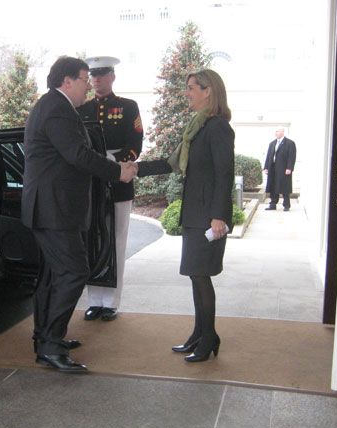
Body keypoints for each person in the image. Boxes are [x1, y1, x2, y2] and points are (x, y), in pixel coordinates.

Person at [22, 56, 137, 373]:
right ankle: (50, 345)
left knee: (52, 277)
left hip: (51, 209)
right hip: (54, 210)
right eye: (85, 78)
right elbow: (77, 155)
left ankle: (45, 337)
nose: (89, 84)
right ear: (66, 81)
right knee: (73, 272)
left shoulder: (54, 106)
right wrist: (118, 172)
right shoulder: (57, 109)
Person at [135, 68, 234, 363]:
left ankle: (209, 338)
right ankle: (200, 334)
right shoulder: (196, 127)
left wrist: (219, 216)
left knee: (202, 277)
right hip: (194, 213)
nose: (187, 93)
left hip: (208, 217)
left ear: (209, 91)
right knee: (195, 275)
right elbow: (172, 162)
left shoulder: (218, 128)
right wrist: (135, 169)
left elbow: (224, 175)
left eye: (192, 87)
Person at [77, 56, 144, 322]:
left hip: (118, 181)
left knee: (116, 239)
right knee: (92, 239)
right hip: (90, 182)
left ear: (112, 77)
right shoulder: (81, 108)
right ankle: (94, 301)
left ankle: (111, 302)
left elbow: (135, 143)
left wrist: (114, 162)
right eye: (93, 75)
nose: (97, 80)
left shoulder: (128, 107)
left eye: (102, 75)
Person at [263, 127, 296, 211]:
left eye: (277, 131)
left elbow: (291, 157)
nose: (276, 133)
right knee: (273, 186)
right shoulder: (272, 143)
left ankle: (286, 205)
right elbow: (268, 156)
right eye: (275, 131)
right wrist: (266, 167)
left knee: (285, 187)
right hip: (273, 168)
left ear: (282, 132)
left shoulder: (290, 143)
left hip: (284, 169)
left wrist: (289, 168)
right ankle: (273, 204)